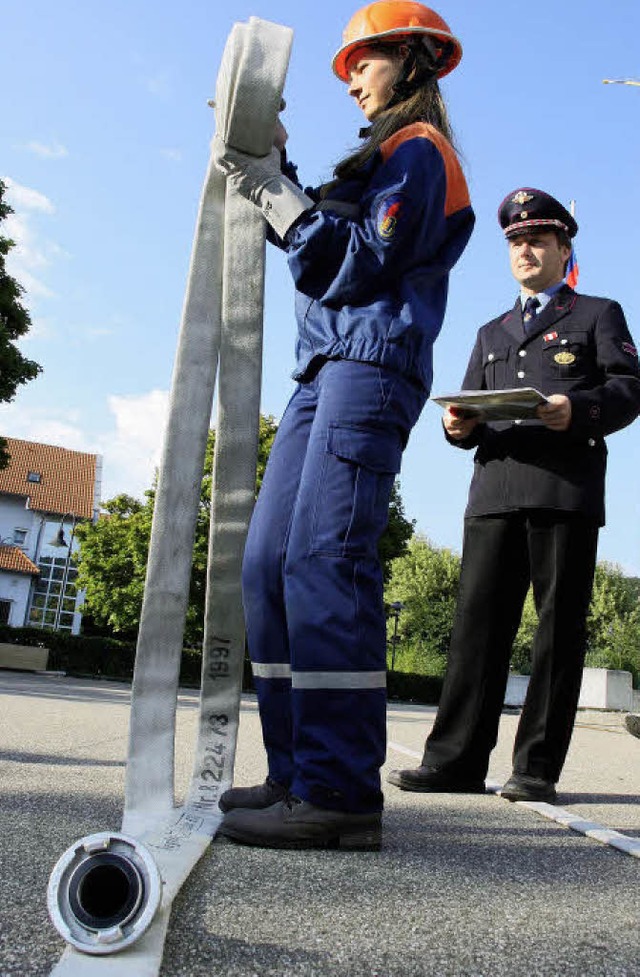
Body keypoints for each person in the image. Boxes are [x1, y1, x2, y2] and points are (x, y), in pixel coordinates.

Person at [212, 1, 474, 849]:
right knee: (267, 562)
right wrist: (272, 156)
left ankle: (341, 790)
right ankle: (297, 771)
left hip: (371, 364)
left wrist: (280, 193)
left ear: (413, 60)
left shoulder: (418, 153)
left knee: (326, 556)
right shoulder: (374, 158)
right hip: (322, 370)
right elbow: (321, 241)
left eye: (364, 60)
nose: (352, 77)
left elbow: (358, 262)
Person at [388, 187, 640, 804]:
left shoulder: (597, 313)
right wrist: (456, 426)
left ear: (563, 248)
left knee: (556, 633)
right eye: (516, 242)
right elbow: (468, 409)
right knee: (477, 628)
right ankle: (455, 762)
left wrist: (576, 408)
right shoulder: (490, 331)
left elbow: (630, 388)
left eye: (537, 239)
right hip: (495, 489)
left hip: (563, 490)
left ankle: (535, 770)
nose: (525, 249)